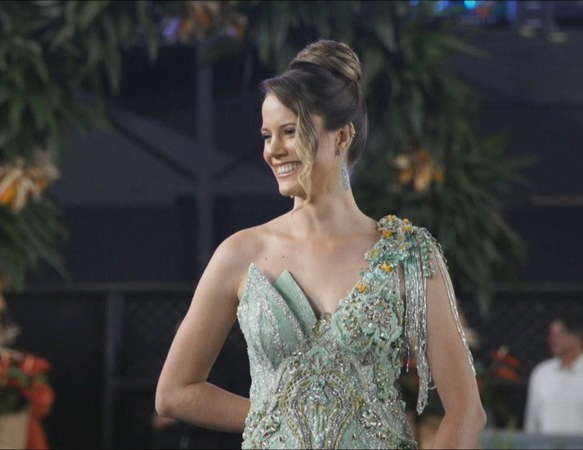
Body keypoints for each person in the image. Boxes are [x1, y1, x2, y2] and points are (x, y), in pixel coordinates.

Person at [155, 39, 485, 449]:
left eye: (290, 132)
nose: (273, 150)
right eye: (266, 135)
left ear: (342, 135)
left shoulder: (410, 254)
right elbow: (175, 392)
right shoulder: (240, 253)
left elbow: (466, 410)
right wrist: (281, 417)